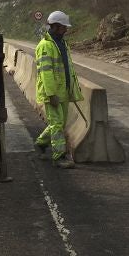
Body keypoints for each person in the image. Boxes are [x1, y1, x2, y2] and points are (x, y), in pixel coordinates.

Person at [34, 10, 83, 169]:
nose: (66, 30)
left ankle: (41, 143)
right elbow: (46, 72)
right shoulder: (45, 46)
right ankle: (59, 156)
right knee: (56, 125)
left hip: (64, 91)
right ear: (54, 27)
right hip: (53, 93)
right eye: (63, 27)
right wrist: (51, 94)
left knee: (59, 123)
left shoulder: (61, 43)